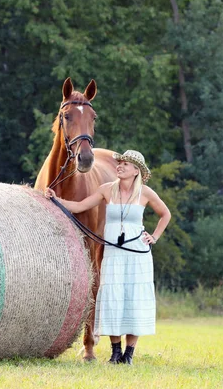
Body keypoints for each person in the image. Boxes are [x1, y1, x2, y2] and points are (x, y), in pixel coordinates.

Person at [45, 150, 171, 365]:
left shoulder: (146, 193)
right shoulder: (106, 190)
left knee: (134, 298)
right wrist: (56, 199)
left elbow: (165, 214)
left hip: (137, 254)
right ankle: (115, 352)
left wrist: (154, 236)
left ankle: (128, 355)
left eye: (125, 164)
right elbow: (79, 206)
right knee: (113, 298)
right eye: (119, 163)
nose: (120, 166)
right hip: (113, 253)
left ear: (136, 171)